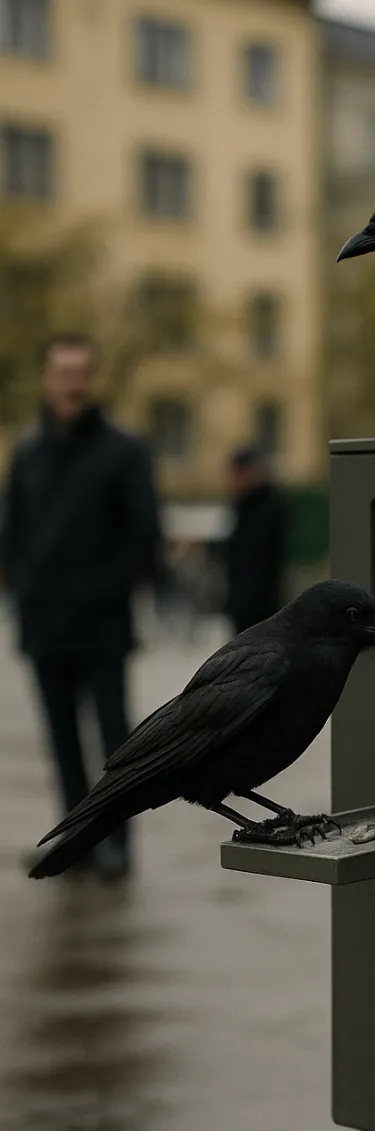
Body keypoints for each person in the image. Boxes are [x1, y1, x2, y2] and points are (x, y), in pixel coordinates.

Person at [1, 333, 159, 880]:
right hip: (45, 626)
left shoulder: (123, 451)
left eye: (79, 373)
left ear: (91, 380)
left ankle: (115, 843)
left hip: (102, 626)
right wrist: (23, 589)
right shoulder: (27, 453)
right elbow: (13, 533)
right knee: (62, 741)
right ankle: (74, 840)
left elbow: (144, 537)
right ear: (48, 379)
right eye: (61, 372)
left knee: (118, 745)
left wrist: (105, 590)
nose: (70, 382)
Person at [224, 446, 287, 635]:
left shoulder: (264, 508)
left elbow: (255, 560)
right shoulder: (246, 506)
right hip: (246, 604)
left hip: (257, 607)